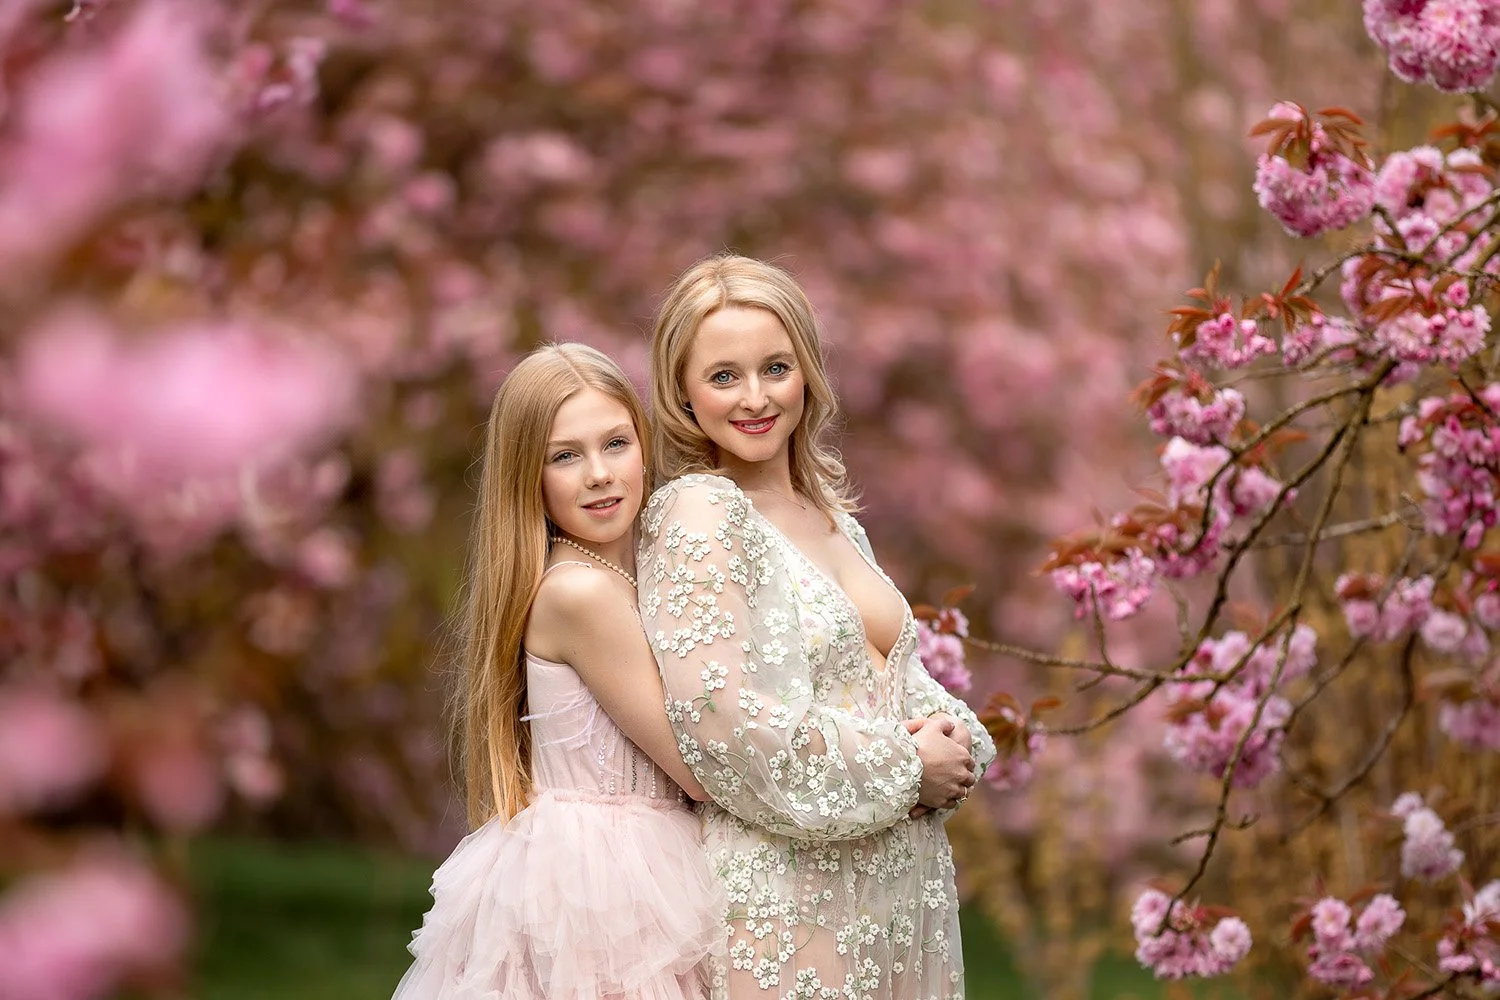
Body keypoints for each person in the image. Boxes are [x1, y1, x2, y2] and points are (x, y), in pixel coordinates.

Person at [639, 254, 998, 1000]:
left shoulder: (830, 514)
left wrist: (956, 744)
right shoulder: (698, 515)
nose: (756, 397)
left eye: (776, 367)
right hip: (793, 901)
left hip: (902, 891)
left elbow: (899, 682)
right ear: (683, 392)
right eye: (724, 376)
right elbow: (731, 737)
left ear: (807, 370)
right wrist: (908, 768)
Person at [393, 343, 723, 1000]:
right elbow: (697, 769)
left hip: (618, 856)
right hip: (609, 880)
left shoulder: (627, 575)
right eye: (565, 456)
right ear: (530, 478)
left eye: (616, 443)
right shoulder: (581, 594)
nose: (599, 473)